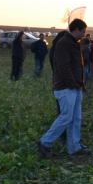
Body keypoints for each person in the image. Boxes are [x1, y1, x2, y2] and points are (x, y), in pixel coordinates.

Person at [36, 19, 90, 157]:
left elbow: (77, 66)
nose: (84, 34)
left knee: (76, 118)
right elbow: (63, 66)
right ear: (76, 29)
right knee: (66, 116)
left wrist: (80, 84)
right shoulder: (64, 43)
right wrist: (72, 83)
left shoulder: (73, 43)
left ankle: (74, 147)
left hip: (75, 86)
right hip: (65, 87)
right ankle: (45, 142)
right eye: (82, 31)